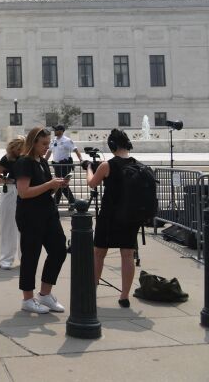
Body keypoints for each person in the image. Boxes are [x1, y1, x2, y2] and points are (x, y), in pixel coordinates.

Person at [14, 126, 68, 314]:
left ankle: (45, 294)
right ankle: (27, 298)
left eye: (49, 143)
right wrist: (49, 184)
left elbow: (46, 189)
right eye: (44, 144)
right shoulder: (24, 162)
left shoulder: (42, 162)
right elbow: (23, 192)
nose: (47, 147)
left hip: (47, 212)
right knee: (31, 255)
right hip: (30, 215)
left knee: (59, 249)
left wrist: (57, 185)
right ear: (34, 143)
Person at [85, 128, 141, 307]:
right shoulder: (138, 165)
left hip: (110, 215)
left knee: (99, 253)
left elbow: (92, 184)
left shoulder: (107, 165)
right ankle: (124, 296)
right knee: (128, 255)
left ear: (111, 145)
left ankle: (91, 291)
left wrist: (88, 168)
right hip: (131, 216)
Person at [0, 136, 24, 270]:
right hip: (9, 191)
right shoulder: (5, 159)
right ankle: (6, 259)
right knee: (7, 226)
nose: (20, 151)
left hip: (24, 190)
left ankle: (25, 257)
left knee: (25, 226)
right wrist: (4, 179)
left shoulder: (26, 159)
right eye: (18, 149)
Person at [45, 124, 83, 210]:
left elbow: (75, 150)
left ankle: (56, 204)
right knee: (62, 184)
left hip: (64, 165)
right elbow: (49, 151)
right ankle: (72, 203)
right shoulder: (54, 140)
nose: (54, 131)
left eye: (56, 130)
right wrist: (44, 161)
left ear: (61, 131)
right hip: (57, 165)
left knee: (61, 184)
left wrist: (81, 160)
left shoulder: (67, 140)